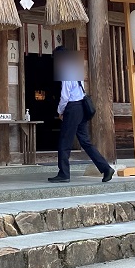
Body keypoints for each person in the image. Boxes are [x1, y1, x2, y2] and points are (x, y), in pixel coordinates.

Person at [48, 47, 114, 184]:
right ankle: (105, 168)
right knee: (85, 142)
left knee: (64, 142)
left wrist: (60, 111)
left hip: (72, 108)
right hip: (82, 107)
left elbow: (65, 96)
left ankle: (64, 173)